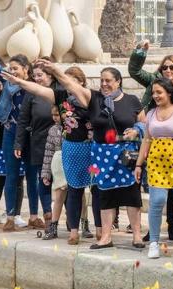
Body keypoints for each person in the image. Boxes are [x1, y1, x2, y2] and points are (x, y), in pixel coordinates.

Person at [39, 61, 145, 249]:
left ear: (118, 82)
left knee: (131, 194)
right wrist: (55, 70)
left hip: (126, 154)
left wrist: (137, 130)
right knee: (104, 194)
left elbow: (144, 124)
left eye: (108, 80)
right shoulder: (95, 99)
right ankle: (105, 237)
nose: (104, 84)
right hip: (101, 154)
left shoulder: (132, 100)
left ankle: (137, 236)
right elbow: (71, 86)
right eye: (102, 80)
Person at [2, 66, 102, 244]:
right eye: (64, 82)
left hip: (92, 149)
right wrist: (19, 82)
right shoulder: (62, 97)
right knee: (73, 190)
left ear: (80, 83)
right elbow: (38, 89)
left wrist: (56, 71)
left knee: (96, 190)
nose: (66, 85)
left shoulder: (90, 96)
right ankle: (73, 231)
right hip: (71, 148)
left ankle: (100, 230)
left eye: (69, 81)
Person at [134, 78, 173, 259]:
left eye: (159, 92)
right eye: (153, 93)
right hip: (156, 163)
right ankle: (153, 242)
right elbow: (146, 139)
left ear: (169, 92)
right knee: (157, 201)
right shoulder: (151, 113)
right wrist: (139, 164)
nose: (155, 96)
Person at [14, 60, 55, 231]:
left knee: (62, 182)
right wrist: (18, 143)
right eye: (35, 75)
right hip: (39, 142)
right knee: (43, 180)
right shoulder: (31, 93)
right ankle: (48, 217)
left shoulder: (58, 91)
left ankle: (70, 221)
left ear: (50, 76)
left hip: (61, 143)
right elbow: (23, 120)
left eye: (40, 75)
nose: (36, 79)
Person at [0, 54, 27, 231]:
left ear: (25, 70)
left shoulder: (31, 85)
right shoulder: (7, 80)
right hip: (9, 131)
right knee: (10, 174)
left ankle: (22, 215)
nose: (12, 71)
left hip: (26, 135)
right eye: (10, 68)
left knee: (25, 176)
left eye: (16, 68)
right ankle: (9, 216)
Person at [40, 105, 66, 240]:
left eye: (57, 115)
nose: (55, 118)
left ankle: (83, 224)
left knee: (79, 198)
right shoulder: (52, 130)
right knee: (58, 197)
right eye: (53, 115)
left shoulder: (74, 127)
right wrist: (46, 173)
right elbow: (48, 153)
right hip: (59, 167)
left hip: (73, 163)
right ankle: (53, 227)